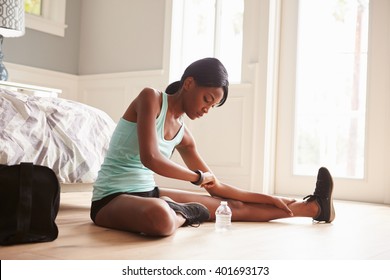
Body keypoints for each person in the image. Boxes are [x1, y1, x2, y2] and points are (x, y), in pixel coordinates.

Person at [90, 57, 335, 236]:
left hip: (149, 194)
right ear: (188, 83)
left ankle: (315, 208)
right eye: (207, 99)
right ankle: (181, 213)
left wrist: (267, 197)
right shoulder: (150, 99)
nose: (207, 109)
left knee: (230, 208)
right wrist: (196, 177)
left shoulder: (184, 135)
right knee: (161, 218)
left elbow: (215, 186)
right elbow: (151, 158)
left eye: (213, 105)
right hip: (111, 199)